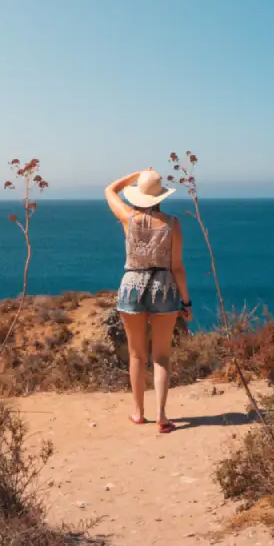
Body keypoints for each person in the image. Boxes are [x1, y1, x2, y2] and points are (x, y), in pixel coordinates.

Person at [104, 168, 192, 433]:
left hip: (131, 286)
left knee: (136, 354)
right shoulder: (173, 224)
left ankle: (138, 413)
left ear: (137, 196)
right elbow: (177, 267)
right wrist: (186, 302)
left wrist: (135, 175)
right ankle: (162, 416)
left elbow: (109, 190)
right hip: (164, 287)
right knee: (161, 356)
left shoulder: (127, 218)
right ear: (161, 196)